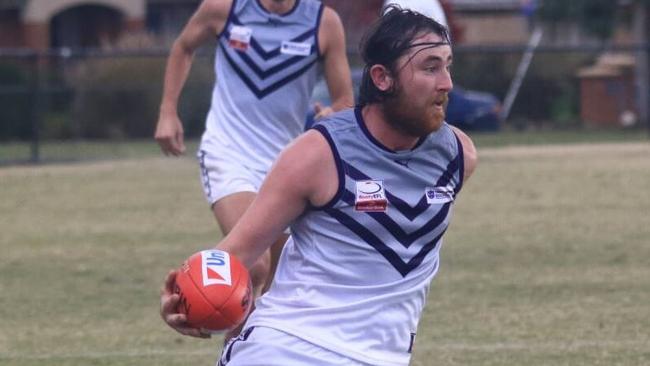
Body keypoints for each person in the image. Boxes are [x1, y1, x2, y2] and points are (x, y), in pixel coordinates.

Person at [161, 6, 477, 365]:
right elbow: (237, 253)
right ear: (382, 77)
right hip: (286, 348)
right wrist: (184, 294)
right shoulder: (317, 154)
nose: (446, 83)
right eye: (430, 67)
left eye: (447, 65)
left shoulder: (458, 157)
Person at [154, 0, 354, 306]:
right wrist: (168, 110)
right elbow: (183, 47)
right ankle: (202, 307)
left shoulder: (323, 23)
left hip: (287, 167)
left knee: (280, 284)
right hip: (228, 152)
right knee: (253, 264)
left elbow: (344, 101)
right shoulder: (223, 9)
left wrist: (331, 114)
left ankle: (246, 352)